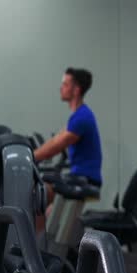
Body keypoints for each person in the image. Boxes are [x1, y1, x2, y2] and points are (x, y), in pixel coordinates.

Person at [34, 68, 102, 229]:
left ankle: (29, 247)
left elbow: (55, 146)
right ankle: (37, 244)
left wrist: (29, 157)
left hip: (85, 179)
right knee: (46, 207)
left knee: (37, 193)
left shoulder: (82, 117)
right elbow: (56, 140)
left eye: (65, 84)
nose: (61, 88)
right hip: (80, 176)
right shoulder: (78, 115)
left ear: (76, 90)